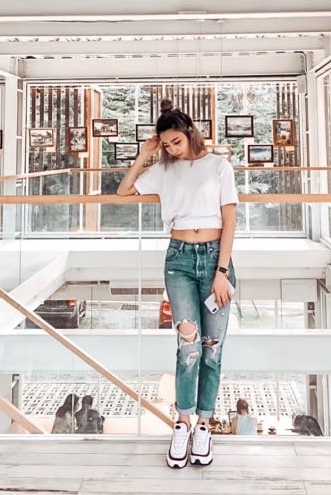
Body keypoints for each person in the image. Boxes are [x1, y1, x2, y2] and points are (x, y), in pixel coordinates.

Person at [117, 99, 238, 469]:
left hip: (216, 260)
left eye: (176, 142)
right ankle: (182, 423)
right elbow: (124, 191)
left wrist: (222, 271)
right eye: (166, 144)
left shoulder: (218, 166)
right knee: (188, 347)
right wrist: (145, 154)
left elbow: (230, 219)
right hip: (179, 260)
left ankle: (204, 425)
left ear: (190, 133)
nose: (172, 149)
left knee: (212, 348)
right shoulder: (164, 169)